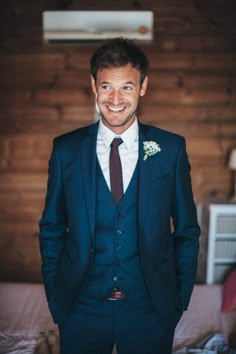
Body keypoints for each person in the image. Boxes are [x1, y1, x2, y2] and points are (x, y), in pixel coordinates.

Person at [39, 37, 200, 354]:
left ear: (143, 87)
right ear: (93, 86)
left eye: (126, 87)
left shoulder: (170, 149)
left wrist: (178, 300)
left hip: (151, 310)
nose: (115, 98)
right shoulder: (66, 150)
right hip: (81, 310)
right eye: (106, 86)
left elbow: (186, 230)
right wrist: (57, 296)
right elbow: (52, 227)